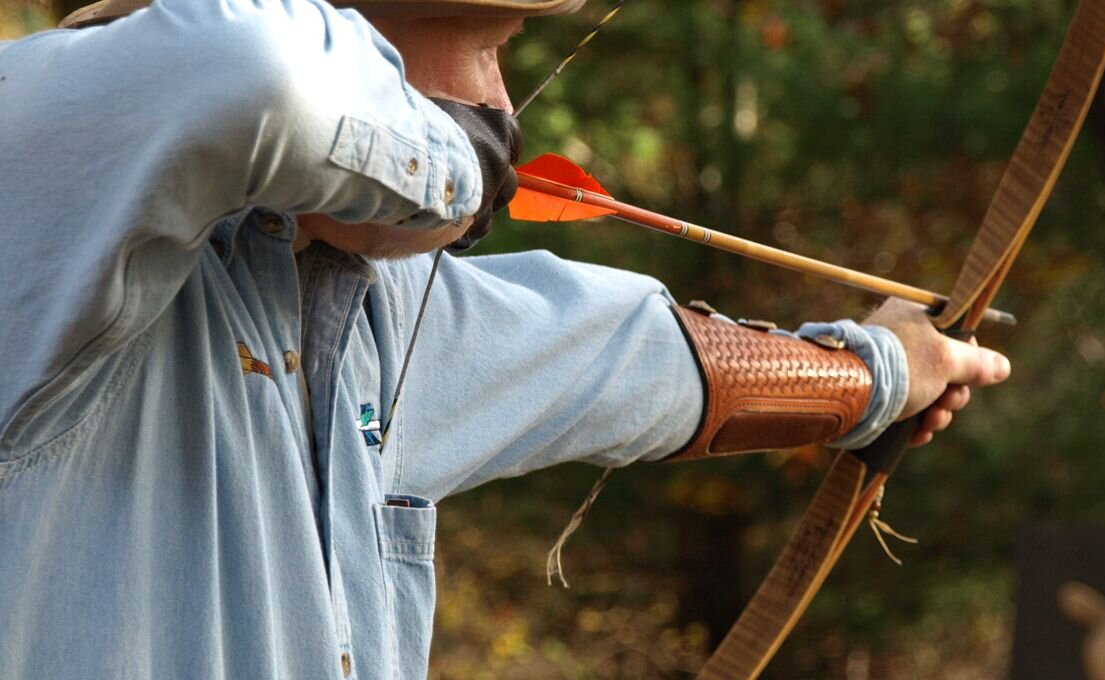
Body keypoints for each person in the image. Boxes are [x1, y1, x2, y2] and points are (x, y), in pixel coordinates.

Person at [0, 0, 1010, 678]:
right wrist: (453, 164)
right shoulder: (43, 174)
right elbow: (244, 78)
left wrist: (882, 369)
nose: (498, 103)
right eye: (480, 47)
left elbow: (634, 355)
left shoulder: (372, 309)